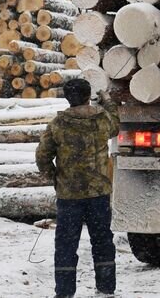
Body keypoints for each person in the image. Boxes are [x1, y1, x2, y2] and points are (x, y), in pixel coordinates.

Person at [35, 78, 120, 298]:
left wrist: (54, 176)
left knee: (66, 244)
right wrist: (107, 100)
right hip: (98, 192)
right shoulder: (102, 119)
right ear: (87, 95)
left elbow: (43, 155)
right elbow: (116, 124)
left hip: (69, 194)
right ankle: (106, 289)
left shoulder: (59, 123)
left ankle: (64, 292)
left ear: (67, 98)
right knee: (102, 240)